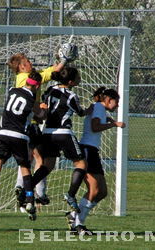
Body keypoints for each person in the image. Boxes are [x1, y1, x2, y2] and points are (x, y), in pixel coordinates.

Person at [8, 52, 68, 207]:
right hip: (28, 125)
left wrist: (64, 60)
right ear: (22, 67)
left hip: (27, 124)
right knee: (40, 158)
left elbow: (50, 72)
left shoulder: (31, 75)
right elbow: (46, 75)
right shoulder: (23, 78)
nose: (30, 62)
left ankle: (21, 188)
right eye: (27, 61)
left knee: (28, 158)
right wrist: (39, 107)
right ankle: (37, 193)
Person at [0, 71, 46, 221]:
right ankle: (30, 202)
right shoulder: (32, 99)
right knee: (25, 168)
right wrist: (44, 109)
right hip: (19, 136)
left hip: (2, 133)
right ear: (37, 86)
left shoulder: (12, 90)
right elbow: (41, 116)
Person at [32, 66, 93, 213]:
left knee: (48, 166)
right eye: (78, 77)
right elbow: (80, 112)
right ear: (71, 82)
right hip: (63, 133)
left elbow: (43, 104)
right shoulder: (71, 96)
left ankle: (27, 190)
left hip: (47, 133)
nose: (80, 79)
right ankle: (71, 195)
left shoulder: (50, 90)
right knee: (81, 164)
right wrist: (89, 110)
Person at [66, 87, 126, 236]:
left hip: (92, 151)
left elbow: (96, 121)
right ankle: (78, 225)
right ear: (108, 100)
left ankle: (73, 217)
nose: (117, 106)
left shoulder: (99, 108)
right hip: (87, 150)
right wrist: (113, 124)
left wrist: (110, 120)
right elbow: (95, 126)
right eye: (116, 102)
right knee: (94, 190)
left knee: (102, 192)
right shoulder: (99, 107)